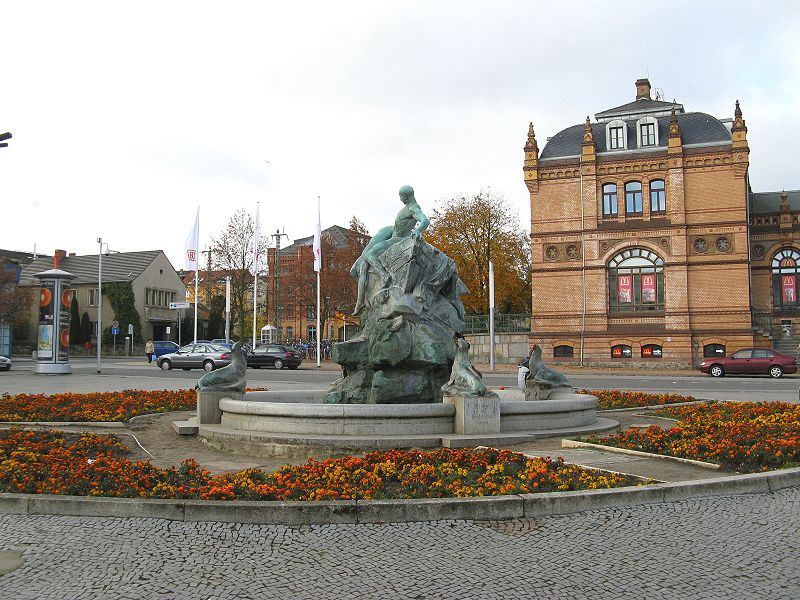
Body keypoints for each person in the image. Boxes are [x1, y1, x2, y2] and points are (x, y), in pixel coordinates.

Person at [351, 185, 430, 314]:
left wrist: (417, 231)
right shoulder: (407, 208)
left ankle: (384, 275)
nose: (400, 199)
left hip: (398, 240)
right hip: (393, 234)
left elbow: (425, 221)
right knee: (363, 264)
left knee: (369, 255)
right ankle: (361, 301)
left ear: (406, 196)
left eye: (401, 197)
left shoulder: (413, 208)